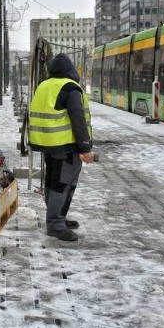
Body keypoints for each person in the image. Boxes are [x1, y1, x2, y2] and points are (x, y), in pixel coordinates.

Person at [27, 54, 94, 242]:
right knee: (63, 183)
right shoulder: (70, 88)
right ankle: (55, 224)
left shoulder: (44, 85)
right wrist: (85, 147)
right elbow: (78, 120)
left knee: (52, 180)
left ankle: (58, 218)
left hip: (47, 143)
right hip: (66, 145)